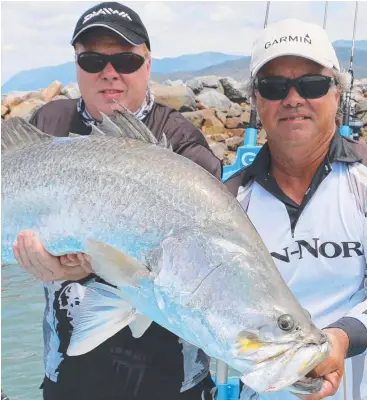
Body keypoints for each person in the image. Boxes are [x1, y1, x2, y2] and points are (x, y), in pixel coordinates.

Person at [12, 2, 221, 400]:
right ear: (76, 66)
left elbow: (198, 266)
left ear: (147, 63)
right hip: (69, 380)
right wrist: (37, 259)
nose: (109, 72)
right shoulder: (48, 125)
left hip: (171, 381)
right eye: (92, 60)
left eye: (125, 59)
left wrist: (89, 271)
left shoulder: (183, 146)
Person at [225, 18, 367, 400]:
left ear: (337, 93)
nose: (293, 99)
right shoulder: (228, 202)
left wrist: (341, 338)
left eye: (312, 84)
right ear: (256, 100)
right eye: (274, 86)